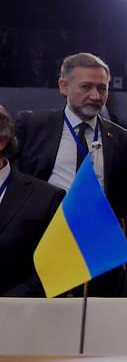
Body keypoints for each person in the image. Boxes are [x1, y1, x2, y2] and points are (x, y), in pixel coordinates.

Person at [12, 52, 127, 226]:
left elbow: (124, 198)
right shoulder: (32, 125)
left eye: (102, 88)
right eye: (86, 87)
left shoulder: (120, 137)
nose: (95, 96)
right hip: (40, 230)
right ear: (63, 86)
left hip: (94, 231)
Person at [0, 104, 66, 296]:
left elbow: (49, 273)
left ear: (2, 141)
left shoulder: (46, 199)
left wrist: (5, 305)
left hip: (16, 310)